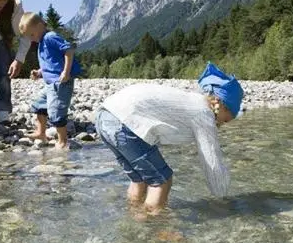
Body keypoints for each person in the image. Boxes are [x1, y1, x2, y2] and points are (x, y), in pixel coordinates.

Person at [94, 62, 244, 215]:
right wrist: (223, 200)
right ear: (222, 105)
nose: (226, 122)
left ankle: (135, 218)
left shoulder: (194, 102)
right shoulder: (203, 114)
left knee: (140, 179)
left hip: (104, 117)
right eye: (228, 118)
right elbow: (212, 162)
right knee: (161, 180)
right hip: (124, 123)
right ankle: (157, 229)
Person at [19, 12, 83, 149]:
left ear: (40, 26)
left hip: (60, 83)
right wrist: (39, 72)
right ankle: (41, 133)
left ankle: (63, 141)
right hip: (50, 85)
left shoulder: (50, 37)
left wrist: (66, 72)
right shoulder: (42, 41)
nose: (31, 39)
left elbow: (69, 51)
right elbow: (51, 63)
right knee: (39, 105)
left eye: (31, 34)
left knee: (56, 112)